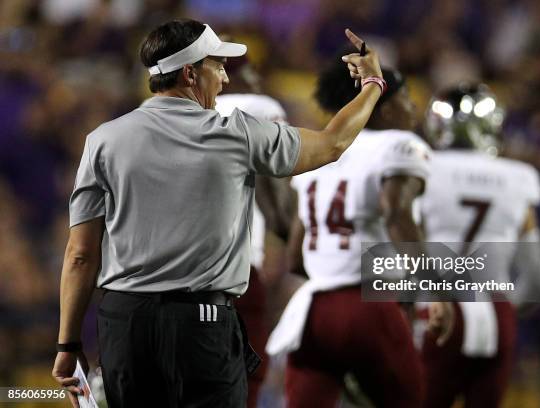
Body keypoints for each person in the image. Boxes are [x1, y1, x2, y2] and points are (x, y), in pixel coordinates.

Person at [51, 18, 387, 408]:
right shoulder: (236, 132)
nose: (226, 78)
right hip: (201, 324)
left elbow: (80, 254)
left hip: (124, 324)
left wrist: (68, 342)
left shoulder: (102, 140)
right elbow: (332, 143)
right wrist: (372, 85)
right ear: (191, 73)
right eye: (218, 66)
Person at [266, 58, 454, 408]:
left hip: (314, 310)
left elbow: (295, 257)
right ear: (382, 111)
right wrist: (434, 289)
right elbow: (396, 212)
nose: (412, 108)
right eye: (405, 99)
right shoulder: (398, 144)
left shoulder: (321, 152)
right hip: (369, 304)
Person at [416, 83, 540, 408]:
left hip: (434, 309)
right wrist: (500, 307)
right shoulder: (518, 177)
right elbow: (537, 280)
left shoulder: (419, 166)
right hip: (495, 310)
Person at [215, 55, 293, 408]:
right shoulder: (257, 107)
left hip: (165, 276)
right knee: (246, 382)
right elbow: (277, 194)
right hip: (236, 270)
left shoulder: (156, 111)